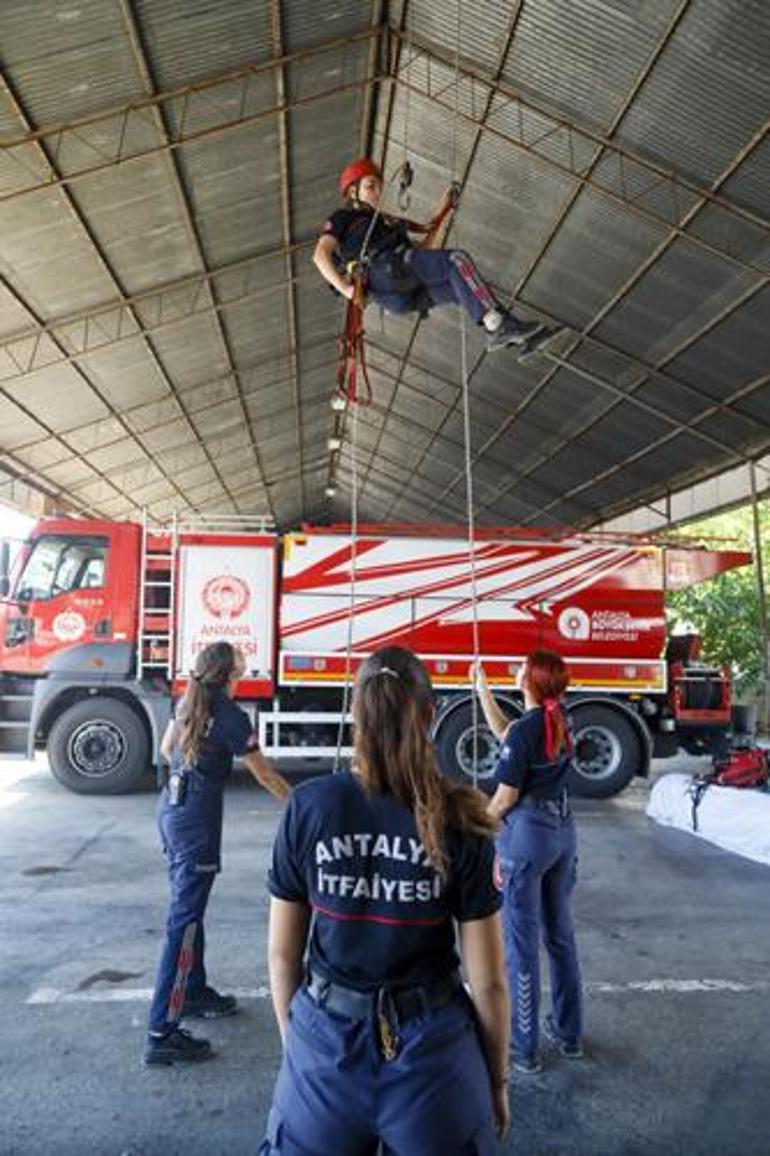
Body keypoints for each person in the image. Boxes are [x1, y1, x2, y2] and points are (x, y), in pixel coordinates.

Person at [259, 645, 510, 1155]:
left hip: (324, 1045)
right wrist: (496, 1082)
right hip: (433, 1058)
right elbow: (488, 983)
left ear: (356, 713)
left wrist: (299, 1047)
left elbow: (283, 956)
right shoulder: (462, 817)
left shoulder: (308, 807)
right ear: (430, 715)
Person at [143, 641, 291, 1067]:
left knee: (189, 913)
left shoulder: (188, 700)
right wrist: (302, 805)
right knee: (184, 924)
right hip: (195, 825)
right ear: (228, 673)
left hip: (172, 812)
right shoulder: (229, 715)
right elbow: (264, 775)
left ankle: (192, 992)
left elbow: (167, 750)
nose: (245, 670)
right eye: (241, 666)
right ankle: (160, 1033)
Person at [314, 156, 560, 356]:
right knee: (456, 260)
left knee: (458, 285)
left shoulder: (384, 223)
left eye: (378, 186)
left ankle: (517, 338)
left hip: (398, 295)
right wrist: (346, 289)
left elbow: (426, 250)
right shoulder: (343, 217)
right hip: (385, 274)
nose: (378, 192)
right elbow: (320, 255)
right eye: (370, 186)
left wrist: (445, 211)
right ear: (353, 192)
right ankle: (499, 327)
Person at [473, 649, 584, 1074]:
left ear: (529, 681)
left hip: (527, 838)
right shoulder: (560, 719)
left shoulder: (528, 730)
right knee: (560, 938)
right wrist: (482, 689)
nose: (516, 668)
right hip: (562, 832)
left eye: (521, 666)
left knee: (520, 947)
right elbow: (508, 733)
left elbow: (504, 798)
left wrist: (472, 826)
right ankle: (569, 1035)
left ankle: (524, 1049)